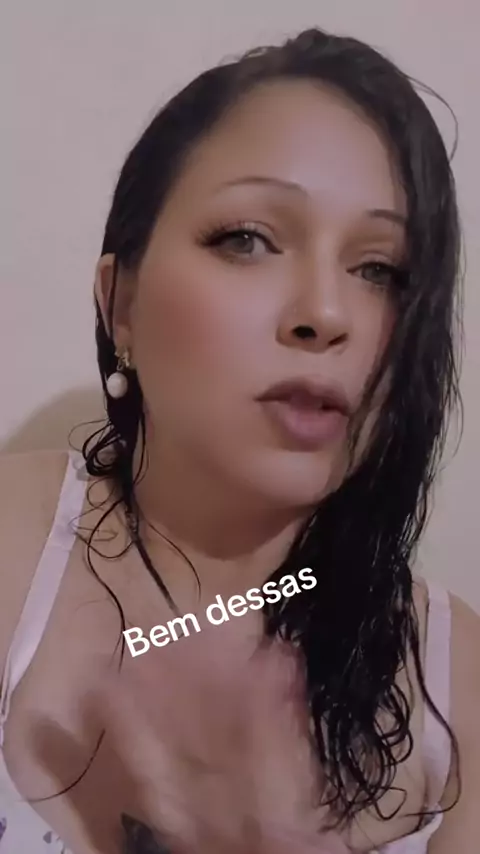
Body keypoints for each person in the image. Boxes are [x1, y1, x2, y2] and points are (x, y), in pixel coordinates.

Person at [0, 25, 478, 854]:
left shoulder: (456, 688)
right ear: (121, 304)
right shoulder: (12, 543)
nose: (325, 312)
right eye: (247, 239)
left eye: (381, 271)